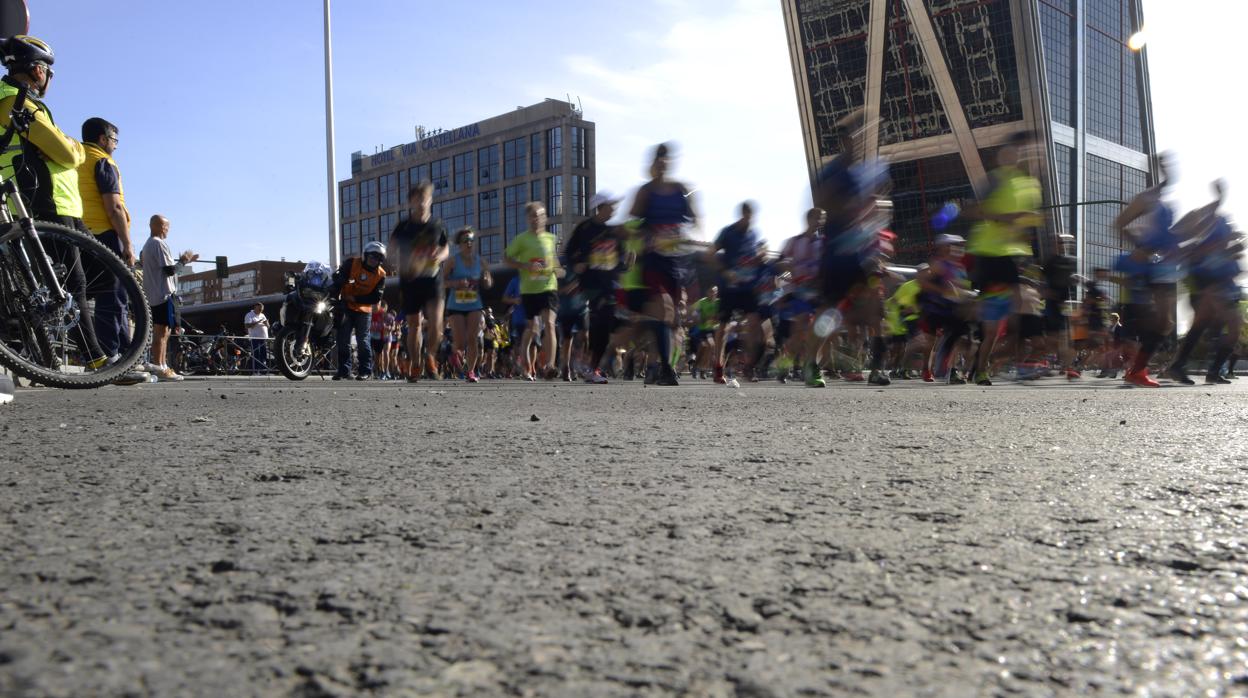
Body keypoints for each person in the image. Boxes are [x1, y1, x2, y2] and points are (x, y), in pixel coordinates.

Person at [0, 36, 111, 373]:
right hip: (42, 200)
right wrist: (73, 149)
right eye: (49, 72)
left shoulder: (22, 100)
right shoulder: (15, 101)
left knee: (63, 285)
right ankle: (95, 360)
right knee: (68, 286)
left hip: (57, 203)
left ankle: (54, 359)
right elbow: (66, 152)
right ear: (38, 70)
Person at [964, 130, 1044, 386]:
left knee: (1021, 313)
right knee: (993, 327)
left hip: (1015, 259)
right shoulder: (996, 180)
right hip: (990, 256)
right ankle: (979, 364)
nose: (1030, 156)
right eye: (1024, 150)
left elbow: (1023, 226)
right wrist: (1010, 218)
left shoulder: (1032, 186)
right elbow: (974, 211)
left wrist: (1023, 232)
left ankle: (987, 359)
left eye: (1035, 151)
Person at [629, 143, 698, 386]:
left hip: (677, 261)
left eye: (665, 160)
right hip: (653, 260)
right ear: (652, 165)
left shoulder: (680, 189)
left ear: (670, 163)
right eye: (657, 161)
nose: (661, 164)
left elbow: (694, 218)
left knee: (671, 319)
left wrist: (692, 228)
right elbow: (633, 221)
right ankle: (666, 369)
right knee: (665, 308)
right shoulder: (645, 192)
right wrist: (636, 246)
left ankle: (657, 364)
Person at [388, 181, 448, 382]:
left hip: (433, 279)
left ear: (430, 200)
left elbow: (446, 248)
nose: (421, 203)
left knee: (436, 322)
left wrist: (438, 256)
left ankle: (430, 356)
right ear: (410, 202)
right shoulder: (403, 226)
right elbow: (390, 252)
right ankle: (415, 364)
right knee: (413, 324)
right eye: (417, 199)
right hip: (410, 280)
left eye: (425, 198)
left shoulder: (437, 225)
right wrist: (401, 264)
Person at [564, 191, 624, 384]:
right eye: (610, 205)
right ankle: (590, 367)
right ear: (600, 207)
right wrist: (577, 264)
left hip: (609, 285)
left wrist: (625, 263)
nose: (614, 209)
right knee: (599, 325)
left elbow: (620, 260)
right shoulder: (584, 228)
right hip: (591, 285)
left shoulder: (614, 232)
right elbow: (569, 252)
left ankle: (591, 366)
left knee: (605, 329)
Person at [505, 202, 563, 381]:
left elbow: (555, 263)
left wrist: (558, 270)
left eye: (539, 215)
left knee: (550, 324)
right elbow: (506, 258)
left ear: (545, 218)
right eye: (532, 216)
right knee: (531, 328)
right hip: (529, 290)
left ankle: (550, 366)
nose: (535, 219)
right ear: (527, 219)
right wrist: (525, 265)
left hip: (548, 287)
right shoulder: (521, 239)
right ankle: (525, 367)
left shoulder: (551, 238)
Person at [708, 202, 764, 383]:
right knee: (723, 326)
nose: (749, 218)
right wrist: (725, 272)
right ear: (742, 214)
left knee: (754, 324)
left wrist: (758, 259)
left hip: (747, 288)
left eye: (751, 215)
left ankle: (748, 366)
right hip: (729, 287)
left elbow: (753, 259)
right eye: (746, 214)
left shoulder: (754, 234)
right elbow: (710, 254)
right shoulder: (728, 232)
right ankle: (718, 366)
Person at [139, 215, 196, 381]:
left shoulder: (149, 244)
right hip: (162, 294)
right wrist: (185, 260)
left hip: (156, 293)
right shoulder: (158, 243)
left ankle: (162, 365)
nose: (167, 230)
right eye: (165, 227)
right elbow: (170, 270)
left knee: (165, 332)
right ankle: (160, 367)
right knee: (162, 333)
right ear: (156, 226)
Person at [332, 240, 387, 380]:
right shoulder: (351, 263)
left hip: (364, 310)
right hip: (346, 306)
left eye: (378, 259)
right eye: (372, 257)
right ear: (365, 255)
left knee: (363, 340)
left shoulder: (381, 275)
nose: (374, 261)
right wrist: (333, 295)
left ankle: (365, 371)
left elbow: (376, 298)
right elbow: (339, 281)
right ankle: (344, 371)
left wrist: (355, 299)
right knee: (343, 339)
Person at [443, 227, 492, 382]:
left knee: (472, 339)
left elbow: (489, 284)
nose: (469, 243)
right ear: (459, 244)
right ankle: (452, 354)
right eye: (466, 241)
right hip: (456, 305)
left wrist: (486, 279)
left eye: (471, 240)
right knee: (460, 342)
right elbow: (441, 282)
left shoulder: (481, 261)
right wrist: (456, 283)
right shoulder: (452, 261)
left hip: (474, 304)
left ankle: (471, 371)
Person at [244, 301, 270, 375]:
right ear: (255, 307)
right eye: (259, 309)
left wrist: (267, 323)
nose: (260, 311)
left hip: (264, 338)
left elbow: (268, 326)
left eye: (261, 310)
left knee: (263, 354)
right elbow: (246, 326)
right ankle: (255, 371)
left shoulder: (262, 315)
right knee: (256, 354)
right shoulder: (249, 315)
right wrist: (257, 322)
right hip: (255, 337)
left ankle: (263, 371)